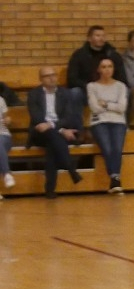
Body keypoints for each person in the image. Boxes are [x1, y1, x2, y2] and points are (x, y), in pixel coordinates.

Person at [27, 66, 83, 198]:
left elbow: (69, 117)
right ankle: (70, 168)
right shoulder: (34, 94)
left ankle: (50, 189)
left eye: (54, 75)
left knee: (52, 145)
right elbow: (37, 119)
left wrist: (55, 126)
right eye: (47, 76)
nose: (52, 78)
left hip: (55, 133)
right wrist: (62, 130)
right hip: (39, 133)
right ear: (41, 79)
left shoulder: (66, 93)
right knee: (52, 136)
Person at [86, 58, 129, 194]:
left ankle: (114, 179)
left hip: (118, 121)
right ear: (99, 69)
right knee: (107, 148)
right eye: (103, 67)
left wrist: (105, 104)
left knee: (117, 148)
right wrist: (112, 106)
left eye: (110, 66)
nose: (107, 69)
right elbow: (94, 107)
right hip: (99, 121)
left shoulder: (121, 86)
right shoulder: (92, 86)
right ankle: (115, 178)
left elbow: (122, 107)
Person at [66, 25, 126, 114]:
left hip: (111, 91)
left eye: (103, 36)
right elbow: (72, 79)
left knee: (127, 91)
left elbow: (122, 77)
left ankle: (124, 124)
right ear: (89, 38)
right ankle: (76, 126)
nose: (101, 38)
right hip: (87, 91)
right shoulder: (79, 55)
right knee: (75, 93)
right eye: (98, 36)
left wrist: (110, 86)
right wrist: (90, 87)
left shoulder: (113, 55)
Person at [0, 95, 14, 198]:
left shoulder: (0, 100)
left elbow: (6, 118)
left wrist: (8, 120)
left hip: (3, 135)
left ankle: (6, 174)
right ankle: (7, 174)